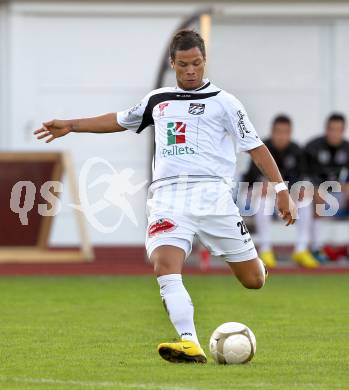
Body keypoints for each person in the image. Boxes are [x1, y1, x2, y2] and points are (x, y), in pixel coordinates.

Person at [34, 30, 297, 364]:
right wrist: (71, 125)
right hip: (167, 197)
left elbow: (256, 147)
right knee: (165, 266)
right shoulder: (158, 100)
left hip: (213, 197)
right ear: (173, 63)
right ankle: (189, 341)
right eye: (184, 64)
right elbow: (117, 120)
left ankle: (254, 265)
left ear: (205, 61)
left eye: (197, 63)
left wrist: (281, 190)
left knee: (253, 280)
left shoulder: (225, 102)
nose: (191, 70)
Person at [243, 115, 319, 268]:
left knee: (305, 197)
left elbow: (301, 181)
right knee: (263, 196)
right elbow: (251, 181)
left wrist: (286, 192)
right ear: (272, 132)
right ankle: (265, 249)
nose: (281, 136)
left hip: (286, 199)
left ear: (290, 133)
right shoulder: (261, 149)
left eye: (285, 132)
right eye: (278, 131)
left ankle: (301, 249)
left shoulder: (297, 151)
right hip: (259, 200)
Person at [305, 113, 349, 261]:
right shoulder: (312, 147)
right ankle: (316, 248)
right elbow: (304, 176)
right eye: (332, 129)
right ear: (326, 129)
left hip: (337, 194)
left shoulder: (347, 149)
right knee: (317, 197)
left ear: (343, 131)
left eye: (339, 130)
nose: (335, 133)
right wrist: (315, 189)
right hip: (314, 196)